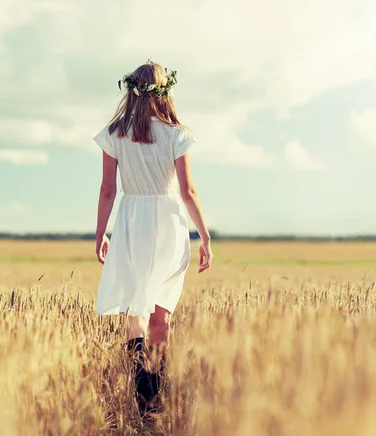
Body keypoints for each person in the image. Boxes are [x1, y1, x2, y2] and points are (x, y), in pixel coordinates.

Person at [93, 60, 213, 417]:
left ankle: (143, 393)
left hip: (132, 222)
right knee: (161, 311)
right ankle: (157, 388)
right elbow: (188, 191)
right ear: (165, 90)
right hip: (171, 223)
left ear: (132, 91)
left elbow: (107, 190)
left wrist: (101, 234)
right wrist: (205, 236)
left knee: (136, 308)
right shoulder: (177, 134)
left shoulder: (115, 133)